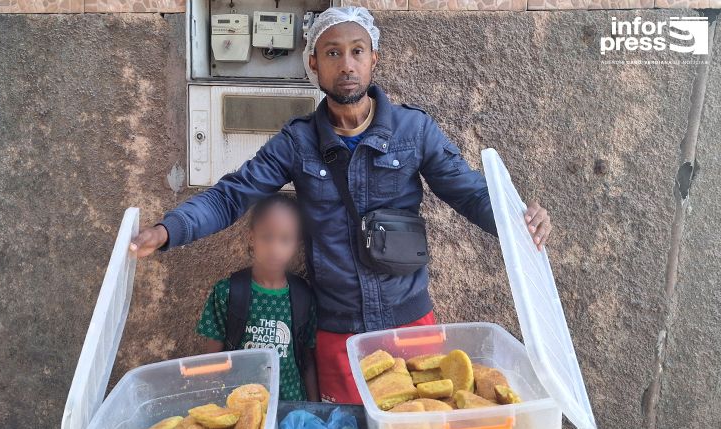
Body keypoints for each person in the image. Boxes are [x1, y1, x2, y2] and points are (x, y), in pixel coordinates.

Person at [130, 6, 552, 403]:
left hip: (410, 322)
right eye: (333, 53)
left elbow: (471, 192)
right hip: (338, 330)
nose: (346, 65)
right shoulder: (297, 142)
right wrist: (168, 230)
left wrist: (519, 222)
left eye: (357, 52)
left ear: (374, 60)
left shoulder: (414, 130)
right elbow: (231, 196)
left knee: (419, 426)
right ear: (313, 64)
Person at [196, 195, 319, 401]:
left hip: (290, 408)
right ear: (252, 237)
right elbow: (213, 361)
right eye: (266, 237)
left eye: (285, 240)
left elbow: (307, 359)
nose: (275, 248)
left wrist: (316, 410)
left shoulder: (302, 296)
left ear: (296, 244)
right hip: (242, 408)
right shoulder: (227, 292)